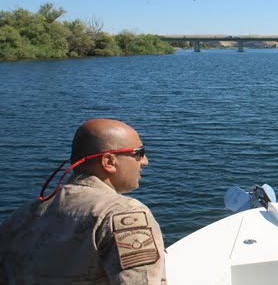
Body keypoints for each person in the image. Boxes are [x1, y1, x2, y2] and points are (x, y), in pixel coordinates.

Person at [0, 119, 167, 284]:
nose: (145, 161)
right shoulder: (124, 214)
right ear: (109, 162)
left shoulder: (21, 216)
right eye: (139, 153)